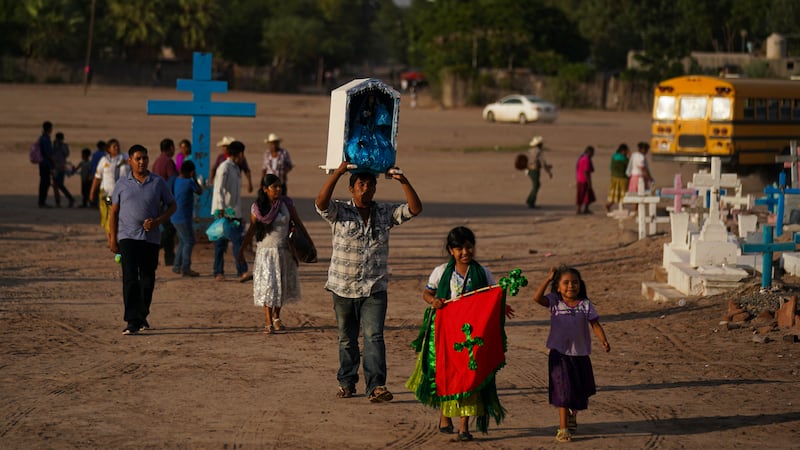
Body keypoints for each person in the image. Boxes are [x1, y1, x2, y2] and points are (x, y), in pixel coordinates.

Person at [315, 160, 422, 402]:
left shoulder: (384, 213)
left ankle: (376, 386)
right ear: (351, 188)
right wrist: (338, 173)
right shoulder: (340, 211)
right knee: (346, 338)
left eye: (370, 185)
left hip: (374, 287)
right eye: (361, 184)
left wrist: (403, 181)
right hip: (343, 287)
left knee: (374, 336)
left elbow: (415, 209)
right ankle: (347, 381)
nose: (366, 188)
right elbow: (320, 203)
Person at [406, 226, 514, 441]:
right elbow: (427, 293)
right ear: (450, 250)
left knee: (470, 376)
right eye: (459, 248)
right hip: (446, 333)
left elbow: (492, 297)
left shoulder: (483, 273)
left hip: (471, 336)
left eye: (468, 247)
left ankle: (464, 427)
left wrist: (503, 305)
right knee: (447, 373)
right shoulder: (439, 272)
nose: (465, 252)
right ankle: (445, 416)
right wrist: (434, 301)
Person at [532, 265, 611, 443]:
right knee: (563, 391)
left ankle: (571, 413)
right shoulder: (554, 301)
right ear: (558, 287)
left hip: (580, 354)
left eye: (574, 282)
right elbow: (537, 298)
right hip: (559, 355)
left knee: (577, 390)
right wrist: (547, 279)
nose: (570, 286)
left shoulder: (585, 305)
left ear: (580, 285)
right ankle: (563, 428)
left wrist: (603, 341)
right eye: (565, 283)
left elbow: (595, 325)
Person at [108, 144, 176, 335]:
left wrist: (158, 221)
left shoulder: (158, 182)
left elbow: (172, 206)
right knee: (130, 278)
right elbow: (113, 212)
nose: (142, 162)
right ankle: (132, 320)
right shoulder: (121, 184)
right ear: (130, 161)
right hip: (127, 237)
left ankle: (142, 313)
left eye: (145, 158)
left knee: (147, 280)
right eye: (137, 158)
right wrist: (113, 238)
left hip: (151, 238)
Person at [237, 174, 311, 333]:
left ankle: (277, 317)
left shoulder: (287, 204)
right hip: (266, 253)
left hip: (284, 251)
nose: (278, 189)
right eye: (274, 187)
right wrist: (241, 250)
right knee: (268, 287)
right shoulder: (257, 208)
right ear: (265, 190)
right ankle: (268, 322)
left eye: (279, 186)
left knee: (281, 286)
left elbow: (297, 222)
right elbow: (252, 230)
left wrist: (308, 242)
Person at [211, 140, 250, 282]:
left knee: (237, 241)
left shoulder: (235, 168)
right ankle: (219, 271)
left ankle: (241, 271)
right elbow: (219, 188)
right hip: (224, 212)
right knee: (221, 243)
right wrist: (220, 208)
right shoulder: (224, 167)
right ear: (239, 154)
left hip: (234, 211)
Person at [89, 139, 128, 239]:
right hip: (107, 195)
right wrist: (92, 192)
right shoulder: (104, 160)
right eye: (114, 146)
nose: (117, 148)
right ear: (108, 149)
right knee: (109, 214)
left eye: (118, 145)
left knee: (122, 216)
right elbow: (97, 177)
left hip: (123, 195)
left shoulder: (126, 158)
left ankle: (119, 237)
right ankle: (111, 238)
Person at [170, 160, 202, 277]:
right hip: (183, 217)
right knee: (189, 241)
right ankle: (185, 268)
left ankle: (177, 265)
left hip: (175, 216)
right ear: (191, 172)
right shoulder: (189, 182)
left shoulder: (177, 180)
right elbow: (200, 191)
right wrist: (194, 179)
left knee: (183, 240)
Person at [151, 138, 178, 266]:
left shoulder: (156, 161)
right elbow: (172, 181)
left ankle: (170, 257)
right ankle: (156, 251)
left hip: (157, 199)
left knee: (167, 228)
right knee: (169, 229)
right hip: (165, 201)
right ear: (170, 148)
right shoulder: (168, 162)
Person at [525, 135, 552, 209]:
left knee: (536, 185)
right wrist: (549, 172)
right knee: (536, 186)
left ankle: (530, 200)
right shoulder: (538, 151)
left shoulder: (530, 150)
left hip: (529, 170)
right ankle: (531, 202)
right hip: (535, 171)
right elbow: (542, 163)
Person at [51, 131, 75, 208]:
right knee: (55, 185)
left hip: (61, 168)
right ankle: (58, 202)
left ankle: (70, 198)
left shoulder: (64, 146)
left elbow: (66, 154)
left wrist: (61, 146)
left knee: (60, 185)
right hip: (55, 167)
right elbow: (51, 154)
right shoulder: (53, 146)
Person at [605, 143, 630, 212]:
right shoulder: (625, 160)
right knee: (623, 194)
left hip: (614, 178)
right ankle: (621, 209)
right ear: (623, 151)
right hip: (622, 179)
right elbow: (628, 168)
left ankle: (609, 205)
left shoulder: (614, 157)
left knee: (614, 194)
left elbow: (611, 168)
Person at [36, 121, 54, 208]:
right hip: (45, 164)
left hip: (42, 163)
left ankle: (41, 201)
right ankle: (42, 202)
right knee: (45, 183)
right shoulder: (45, 139)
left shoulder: (42, 138)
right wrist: (53, 162)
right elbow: (48, 153)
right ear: (49, 129)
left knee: (44, 182)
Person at [576, 146, 595, 214]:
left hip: (580, 179)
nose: (593, 154)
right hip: (583, 180)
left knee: (587, 196)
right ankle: (579, 209)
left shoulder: (582, 157)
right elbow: (586, 171)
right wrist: (589, 182)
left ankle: (585, 209)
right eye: (593, 153)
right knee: (582, 195)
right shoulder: (586, 159)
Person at [89, 140, 108, 208]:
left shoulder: (95, 154)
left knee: (95, 189)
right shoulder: (105, 155)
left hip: (95, 174)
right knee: (104, 191)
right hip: (102, 175)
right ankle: (106, 204)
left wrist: (91, 173)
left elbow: (92, 164)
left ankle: (93, 202)